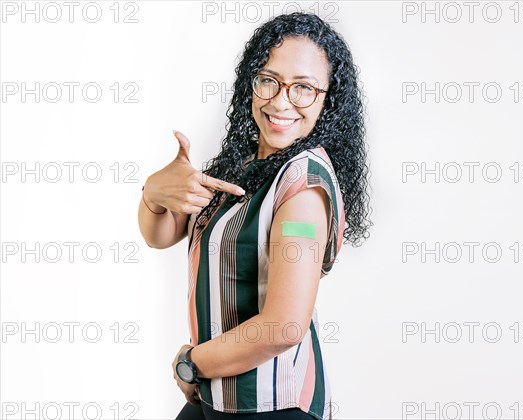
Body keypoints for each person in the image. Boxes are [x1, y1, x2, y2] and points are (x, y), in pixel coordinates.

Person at [138, 12, 372, 420]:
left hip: (269, 404)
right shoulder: (242, 165)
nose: (281, 101)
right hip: (217, 394)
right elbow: (160, 234)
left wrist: (193, 363)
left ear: (327, 100)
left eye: (303, 88)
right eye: (269, 80)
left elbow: (284, 325)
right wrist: (154, 193)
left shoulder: (303, 184)